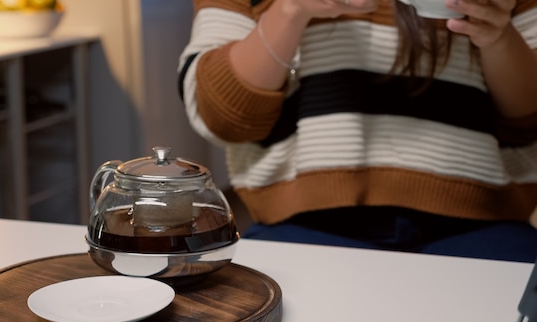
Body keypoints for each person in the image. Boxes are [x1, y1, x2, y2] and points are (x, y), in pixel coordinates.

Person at [177, 0, 537, 262]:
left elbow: (528, 122)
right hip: (304, 224)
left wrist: (499, 35)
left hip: (481, 220)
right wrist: (289, 10)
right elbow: (221, 117)